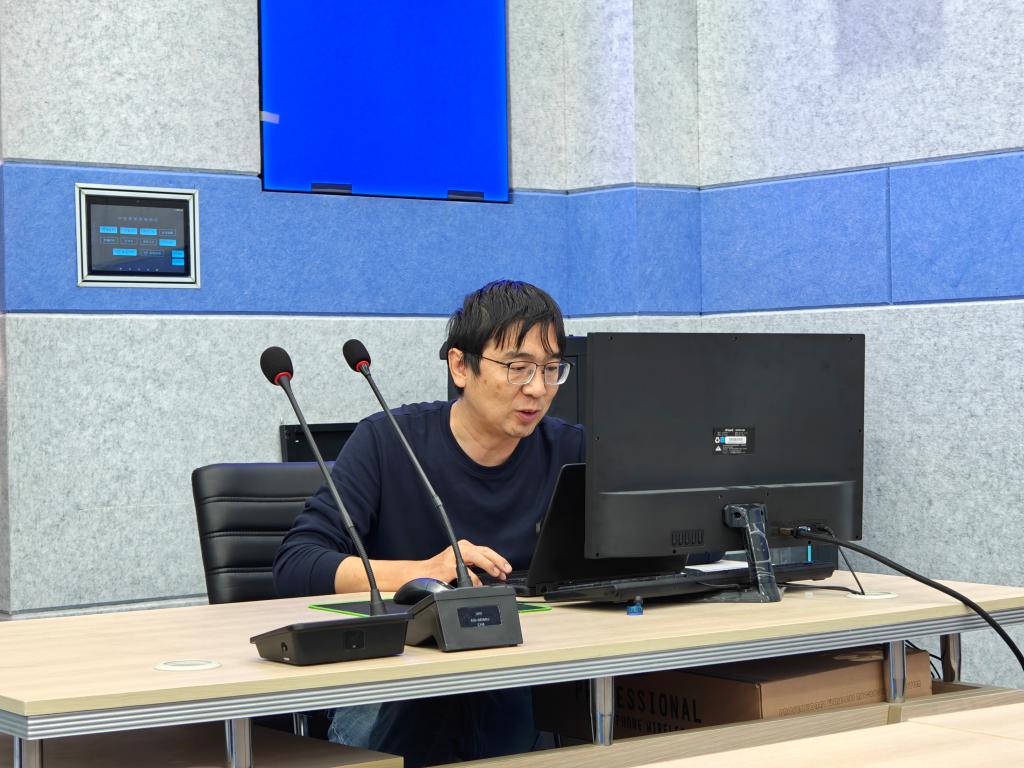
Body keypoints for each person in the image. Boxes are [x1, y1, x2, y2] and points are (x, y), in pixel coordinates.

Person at [273, 279, 585, 766]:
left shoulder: (570, 449)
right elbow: (296, 564)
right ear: (460, 366)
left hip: (517, 671)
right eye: (518, 368)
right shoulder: (388, 442)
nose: (538, 389)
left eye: (551, 369)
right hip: (397, 679)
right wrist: (424, 573)